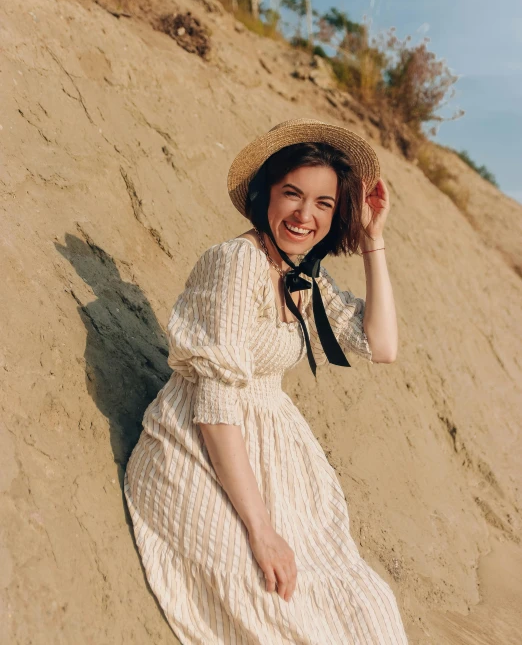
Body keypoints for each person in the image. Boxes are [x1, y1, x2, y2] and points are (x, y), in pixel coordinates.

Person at [124, 118, 409, 644]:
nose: (305, 215)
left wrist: (373, 238)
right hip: (201, 443)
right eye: (293, 195)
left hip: (276, 454)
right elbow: (213, 403)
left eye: (324, 203)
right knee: (265, 598)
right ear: (266, 196)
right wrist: (261, 531)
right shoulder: (235, 263)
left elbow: (382, 346)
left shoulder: (305, 276)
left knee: (362, 604)